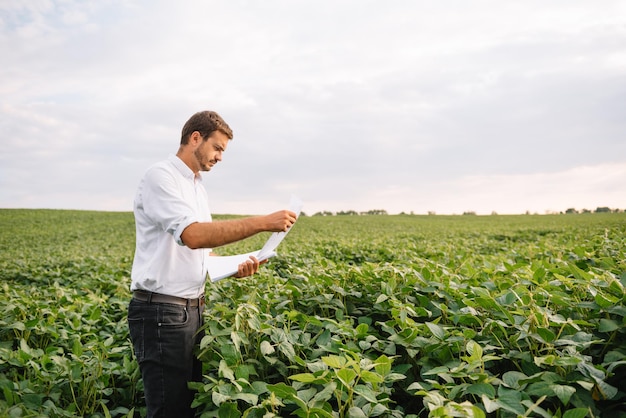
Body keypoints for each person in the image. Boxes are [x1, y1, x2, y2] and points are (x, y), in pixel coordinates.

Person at [128, 110, 297, 417]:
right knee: (170, 409)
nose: (220, 157)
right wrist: (262, 222)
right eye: (217, 148)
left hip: (190, 310)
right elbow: (193, 236)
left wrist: (236, 265)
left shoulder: (197, 187)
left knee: (186, 405)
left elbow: (200, 252)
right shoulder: (161, 176)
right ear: (196, 138)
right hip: (161, 312)